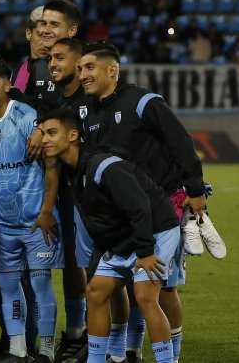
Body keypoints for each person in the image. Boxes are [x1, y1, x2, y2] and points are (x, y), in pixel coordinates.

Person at [78, 41, 219, 363]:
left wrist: (195, 191)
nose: (82, 75)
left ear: (112, 70)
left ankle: (173, 355)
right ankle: (126, 351)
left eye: (89, 68)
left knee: (161, 288)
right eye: (80, 69)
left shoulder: (142, 102)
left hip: (163, 207)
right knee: (122, 285)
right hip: (123, 213)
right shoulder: (88, 112)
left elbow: (180, 141)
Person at [39, 109, 181, 363]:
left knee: (145, 296)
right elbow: (101, 221)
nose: (44, 139)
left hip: (156, 229)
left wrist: (146, 252)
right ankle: (97, 360)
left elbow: (139, 206)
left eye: (51, 133)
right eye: (42, 134)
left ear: (73, 135)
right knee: (95, 291)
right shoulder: (72, 168)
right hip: (123, 236)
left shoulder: (102, 165)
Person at [0, 58, 63, 363]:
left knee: (39, 282)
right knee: (7, 284)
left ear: (8, 85)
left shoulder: (26, 117)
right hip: (5, 223)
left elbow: (51, 165)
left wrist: (48, 210)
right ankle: (18, 349)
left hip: (37, 220)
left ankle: (46, 350)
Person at [46, 37, 94, 363]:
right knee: (77, 264)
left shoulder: (93, 100)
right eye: (50, 59)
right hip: (71, 196)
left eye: (59, 58)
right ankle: (83, 333)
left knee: (101, 270)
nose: (52, 64)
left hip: (99, 198)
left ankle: (113, 340)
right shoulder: (56, 105)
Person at [13, 0, 80, 113]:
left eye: (54, 25)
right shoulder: (38, 66)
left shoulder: (86, 61)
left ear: (72, 31)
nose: (45, 30)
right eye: (44, 23)